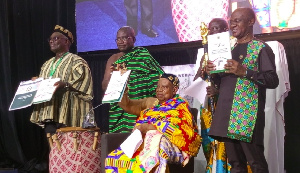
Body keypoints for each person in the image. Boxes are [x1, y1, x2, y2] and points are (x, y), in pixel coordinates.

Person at [206, 8, 279, 173]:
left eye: (238, 20)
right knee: (235, 165)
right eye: (231, 21)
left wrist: (245, 72)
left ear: (251, 22)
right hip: (226, 111)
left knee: (256, 163)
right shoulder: (226, 48)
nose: (233, 25)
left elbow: (272, 80)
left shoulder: (260, 48)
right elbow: (224, 81)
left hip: (247, 115)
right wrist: (213, 72)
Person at [105, 73, 201, 172]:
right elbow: (127, 105)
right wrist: (121, 82)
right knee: (113, 159)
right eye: (158, 86)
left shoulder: (180, 105)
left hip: (165, 143)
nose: (159, 90)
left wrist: (148, 127)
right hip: (140, 143)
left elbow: (180, 130)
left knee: (158, 147)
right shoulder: (151, 102)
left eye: (164, 87)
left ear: (174, 89)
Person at [102, 26, 164, 133]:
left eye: (125, 38)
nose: (121, 42)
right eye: (118, 39)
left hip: (140, 106)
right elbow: (104, 85)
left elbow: (160, 78)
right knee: (121, 140)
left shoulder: (143, 55)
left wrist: (134, 79)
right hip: (121, 109)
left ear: (133, 39)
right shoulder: (113, 59)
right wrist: (117, 79)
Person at [30, 25, 94, 128]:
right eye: (50, 39)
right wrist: (36, 83)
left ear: (66, 41)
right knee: (52, 143)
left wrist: (65, 84)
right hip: (49, 113)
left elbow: (84, 84)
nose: (51, 41)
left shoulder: (77, 61)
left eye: (56, 38)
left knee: (70, 144)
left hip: (69, 114)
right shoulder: (46, 64)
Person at [194, 18, 231, 172]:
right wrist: (204, 72)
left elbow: (235, 81)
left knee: (224, 145)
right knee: (209, 144)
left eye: (218, 28)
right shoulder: (206, 54)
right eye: (212, 29)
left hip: (226, 104)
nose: (214, 32)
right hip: (209, 105)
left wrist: (219, 91)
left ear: (225, 31)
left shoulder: (232, 50)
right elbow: (197, 79)